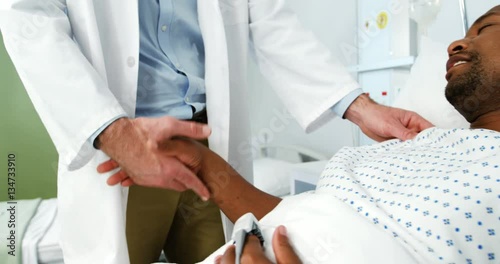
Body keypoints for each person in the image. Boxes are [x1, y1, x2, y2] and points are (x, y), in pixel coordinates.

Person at [0, 1, 431, 263]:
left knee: (224, 252)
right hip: (120, 145)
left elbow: (270, 21)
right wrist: (113, 132)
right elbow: (25, 14)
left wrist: (359, 106)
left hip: (209, 147)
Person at [100, 5, 500, 263]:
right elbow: (292, 217)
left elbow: (270, 21)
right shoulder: (414, 145)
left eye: (488, 28)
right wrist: (200, 161)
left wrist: (358, 106)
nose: (457, 43)